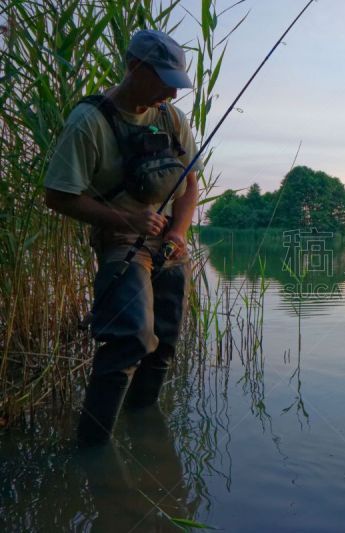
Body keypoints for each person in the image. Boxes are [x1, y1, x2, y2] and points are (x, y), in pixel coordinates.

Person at [44, 29, 200, 447]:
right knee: (131, 335)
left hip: (168, 241)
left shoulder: (170, 118)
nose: (171, 91)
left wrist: (178, 234)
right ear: (134, 68)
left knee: (164, 339)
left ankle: (142, 425)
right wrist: (126, 220)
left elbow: (190, 187)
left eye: (175, 82)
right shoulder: (89, 123)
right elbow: (57, 195)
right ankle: (92, 448)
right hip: (120, 241)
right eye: (164, 78)